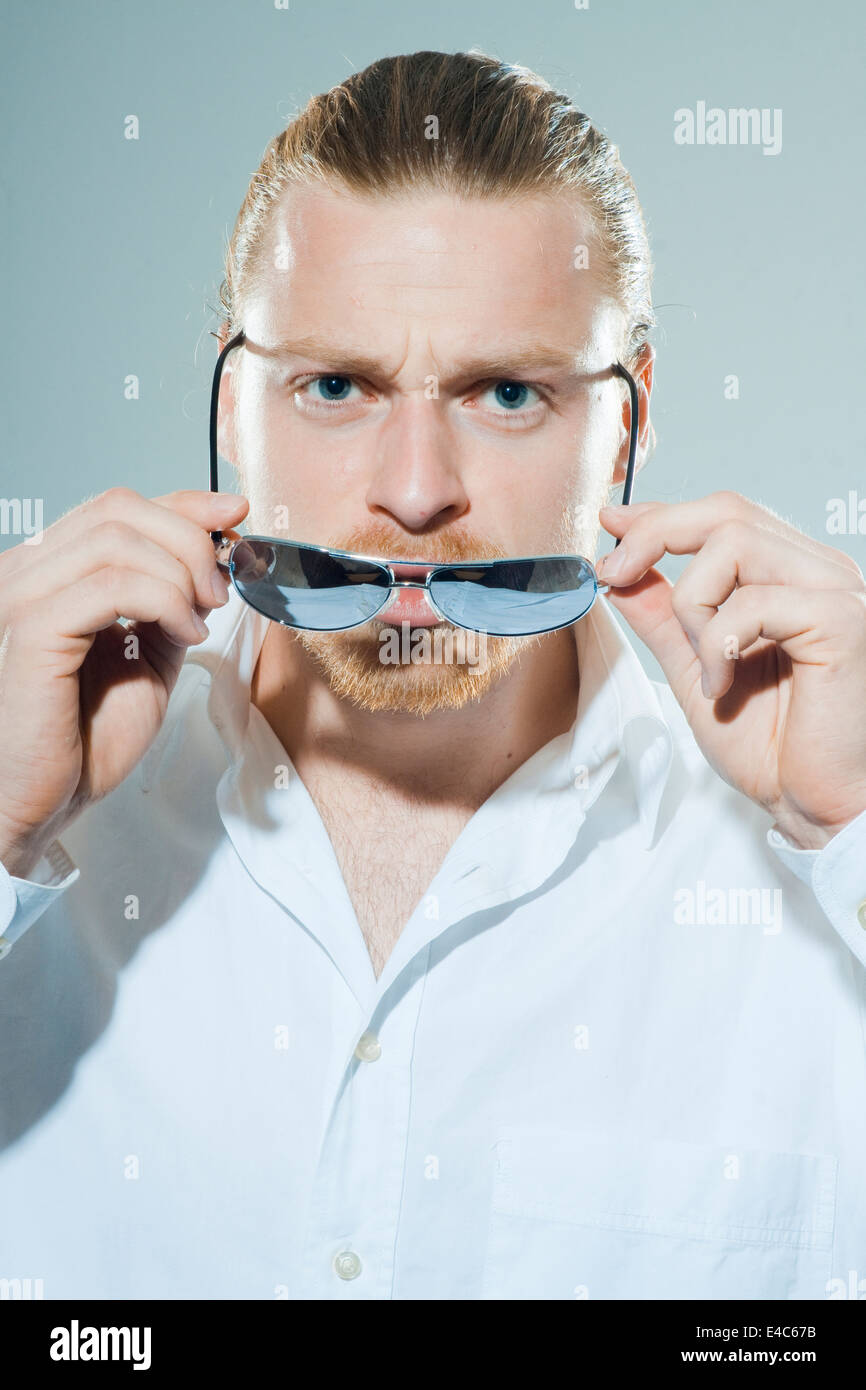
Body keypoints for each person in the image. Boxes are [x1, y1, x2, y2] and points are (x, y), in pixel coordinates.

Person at [1, 50, 864, 1302]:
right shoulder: (34, 810)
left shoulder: (807, 864)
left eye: (505, 391)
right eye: (335, 386)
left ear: (627, 422)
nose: (412, 491)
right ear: (235, 405)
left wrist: (855, 831)